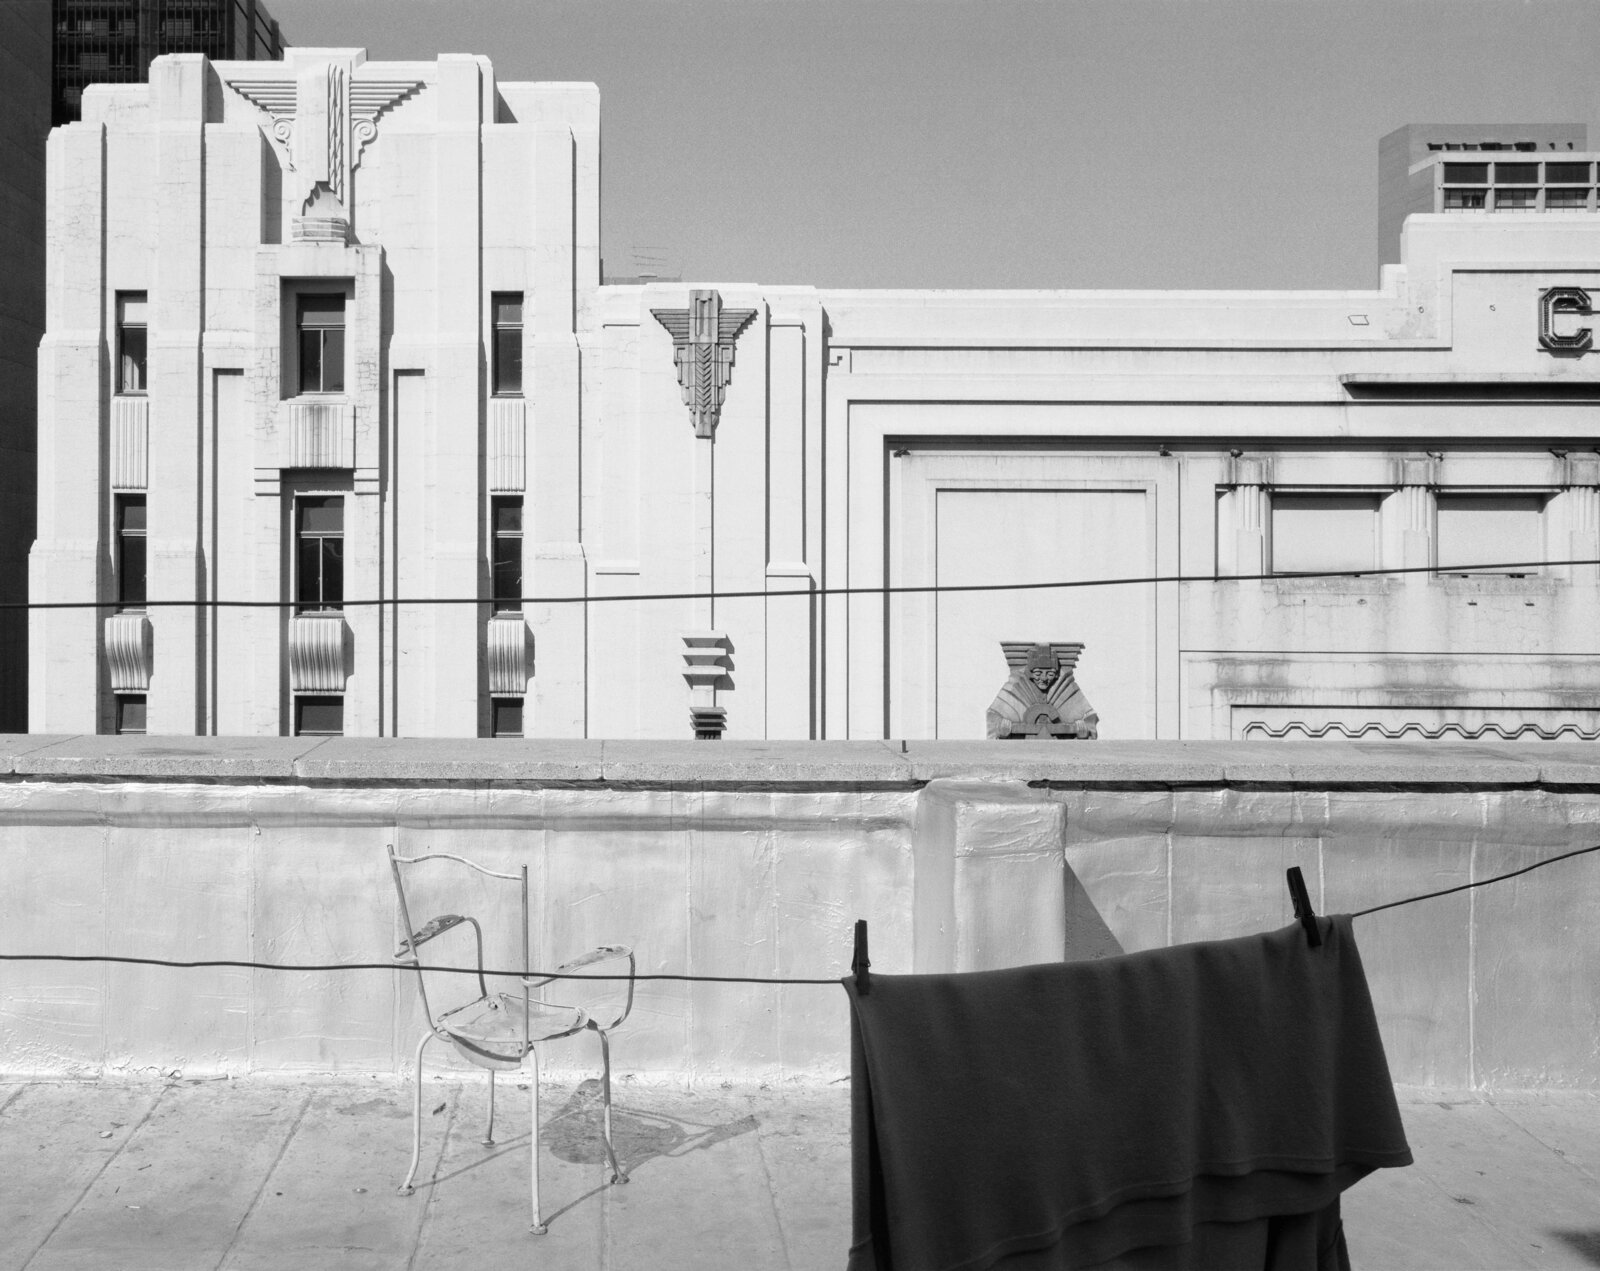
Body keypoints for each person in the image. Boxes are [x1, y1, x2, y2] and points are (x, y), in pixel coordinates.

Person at [985, 643, 1098, 739]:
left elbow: (1089, 719)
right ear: (1029, 673)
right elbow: (993, 718)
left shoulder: (1066, 688)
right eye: (1038, 673)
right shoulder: (1014, 688)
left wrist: (1083, 731)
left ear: (1056, 675)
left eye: (1050, 674)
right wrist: (1001, 729)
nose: (1044, 679)